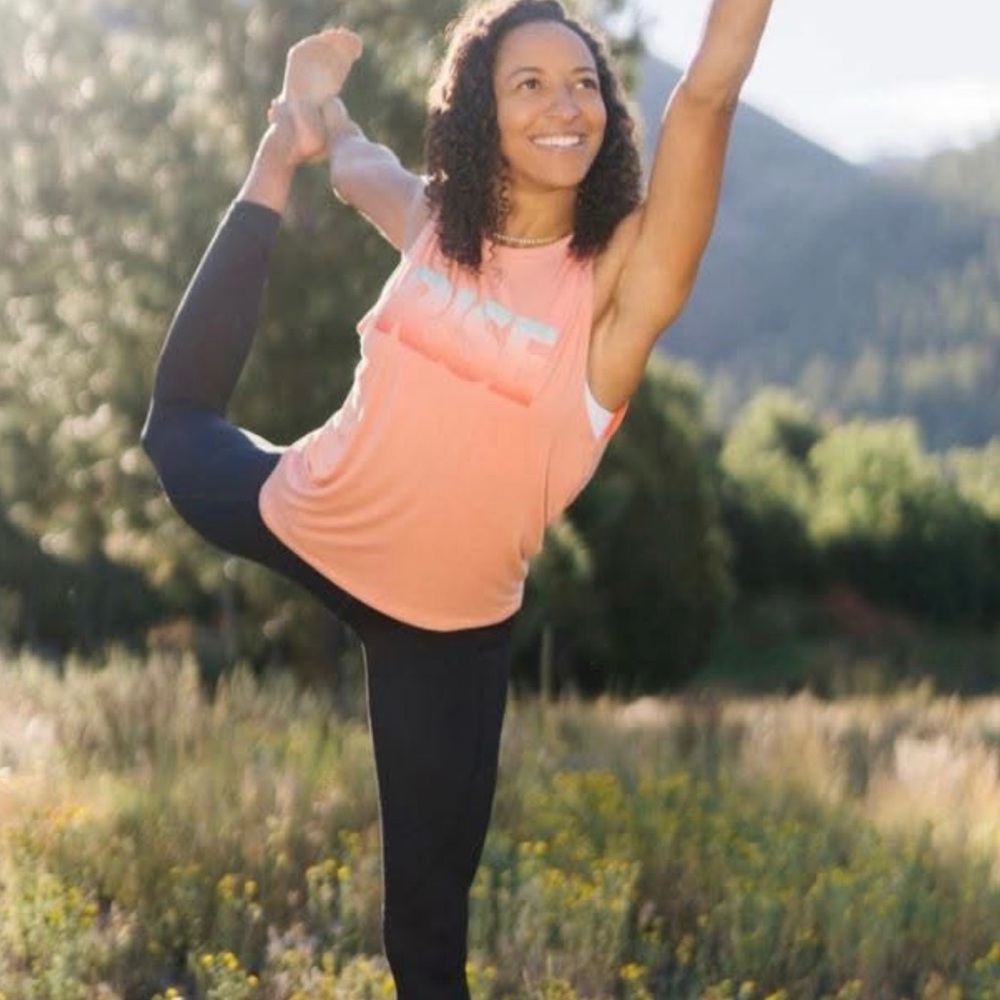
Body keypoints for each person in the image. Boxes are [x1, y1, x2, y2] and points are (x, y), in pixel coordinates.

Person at [141, 0, 773, 995]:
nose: (566, 104)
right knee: (176, 428)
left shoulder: (617, 286)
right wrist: (315, 126)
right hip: (311, 512)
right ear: (482, 112)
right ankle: (271, 149)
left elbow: (709, 92)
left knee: (425, 941)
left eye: (583, 83)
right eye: (529, 83)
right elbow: (358, 175)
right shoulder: (438, 223)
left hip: (443, 626)